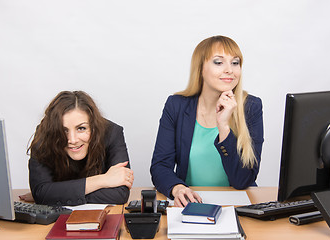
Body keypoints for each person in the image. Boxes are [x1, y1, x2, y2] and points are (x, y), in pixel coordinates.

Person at [150, 35, 264, 207]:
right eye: (219, 62)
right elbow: (160, 167)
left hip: (237, 205)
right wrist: (177, 188)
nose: (229, 70)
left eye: (235, 62)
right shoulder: (176, 105)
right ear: (200, 68)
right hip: (191, 202)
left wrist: (224, 127)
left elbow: (243, 180)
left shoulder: (251, 107)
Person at [26, 90, 134, 206]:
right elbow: (41, 194)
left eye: (81, 128)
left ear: (93, 126)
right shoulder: (45, 134)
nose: (72, 140)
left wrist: (56, 194)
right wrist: (103, 180)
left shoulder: (112, 133)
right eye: (63, 130)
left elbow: (119, 195)